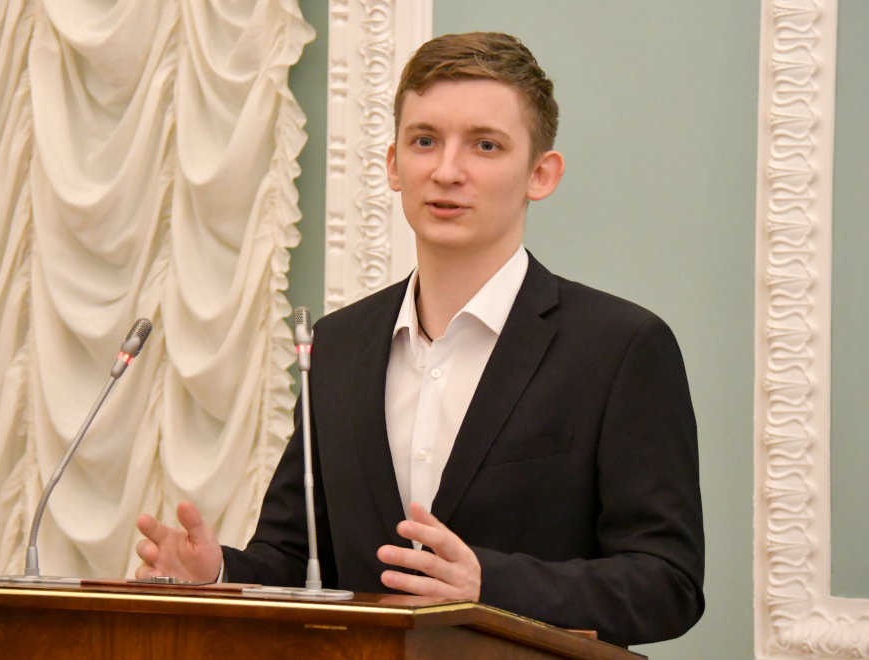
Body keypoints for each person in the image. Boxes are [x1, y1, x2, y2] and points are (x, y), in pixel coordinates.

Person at [135, 32, 705, 648]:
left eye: (485, 145)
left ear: (541, 175)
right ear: (393, 165)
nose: (446, 171)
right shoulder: (336, 346)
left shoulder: (620, 347)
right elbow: (299, 557)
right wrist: (216, 575)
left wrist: (489, 583)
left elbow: (667, 584)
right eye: (425, 141)